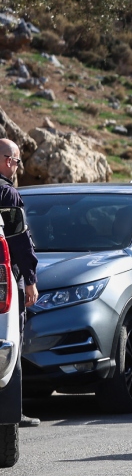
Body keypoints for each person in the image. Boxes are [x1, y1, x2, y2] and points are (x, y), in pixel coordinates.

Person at [0, 140, 40, 427]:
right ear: (6, 161)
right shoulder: (8, 194)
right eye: (15, 161)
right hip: (5, 284)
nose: (16, 167)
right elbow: (21, 241)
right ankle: (14, 412)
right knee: (12, 342)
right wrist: (30, 280)